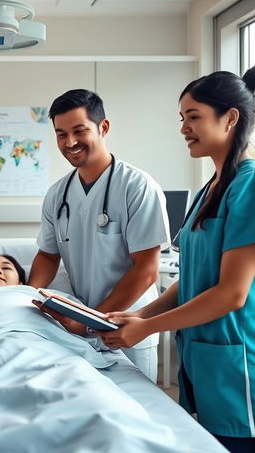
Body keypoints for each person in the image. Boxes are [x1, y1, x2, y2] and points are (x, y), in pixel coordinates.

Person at [100, 63, 255, 453]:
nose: (184, 128)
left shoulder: (251, 185)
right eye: (181, 119)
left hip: (242, 365)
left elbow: (230, 295)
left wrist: (148, 326)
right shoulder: (213, 188)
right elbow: (192, 281)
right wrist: (139, 316)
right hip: (213, 364)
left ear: (230, 118)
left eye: (194, 117)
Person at [28, 89, 170, 382]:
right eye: (60, 134)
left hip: (127, 326)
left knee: (136, 412)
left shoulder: (137, 187)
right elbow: (47, 254)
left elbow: (146, 270)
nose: (70, 143)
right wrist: (29, 296)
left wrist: (90, 320)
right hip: (80, 326)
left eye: (79, 131)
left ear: (103, 128)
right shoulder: (58, 194)